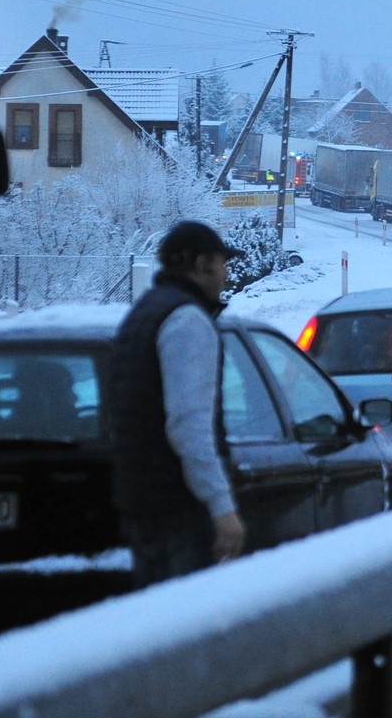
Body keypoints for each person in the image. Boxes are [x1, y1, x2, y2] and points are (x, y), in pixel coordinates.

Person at [103, 220, 248, 587]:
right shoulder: (187, 322)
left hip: (140, 500)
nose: (227, 275)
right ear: (202, 265)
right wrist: (223, 509)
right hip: (178, 507)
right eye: (222, 263)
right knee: (187, 627)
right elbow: (189, 426)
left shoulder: (144, 313)